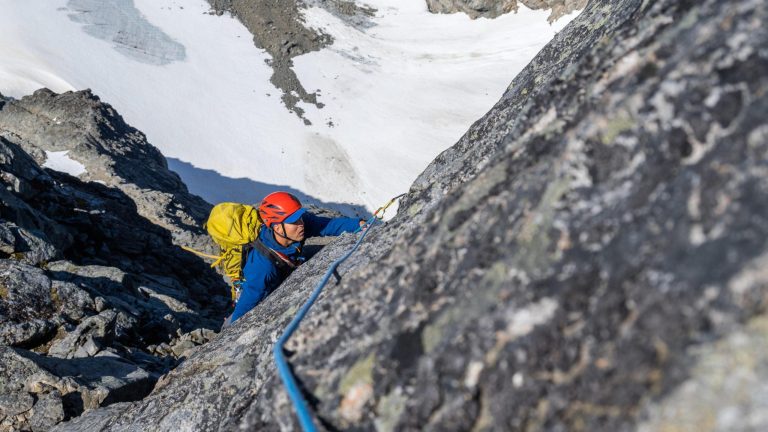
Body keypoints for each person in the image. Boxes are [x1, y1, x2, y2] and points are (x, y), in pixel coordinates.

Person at [227, 191, 363, 323]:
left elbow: (326, 225)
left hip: (288, 261)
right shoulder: (262, 267)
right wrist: (231, 330)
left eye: (300, 218)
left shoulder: (296, 226)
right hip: (264, 283)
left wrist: (358, 224)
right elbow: (250, 300)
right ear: (277, 228)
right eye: (294, 221)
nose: (301, 224)